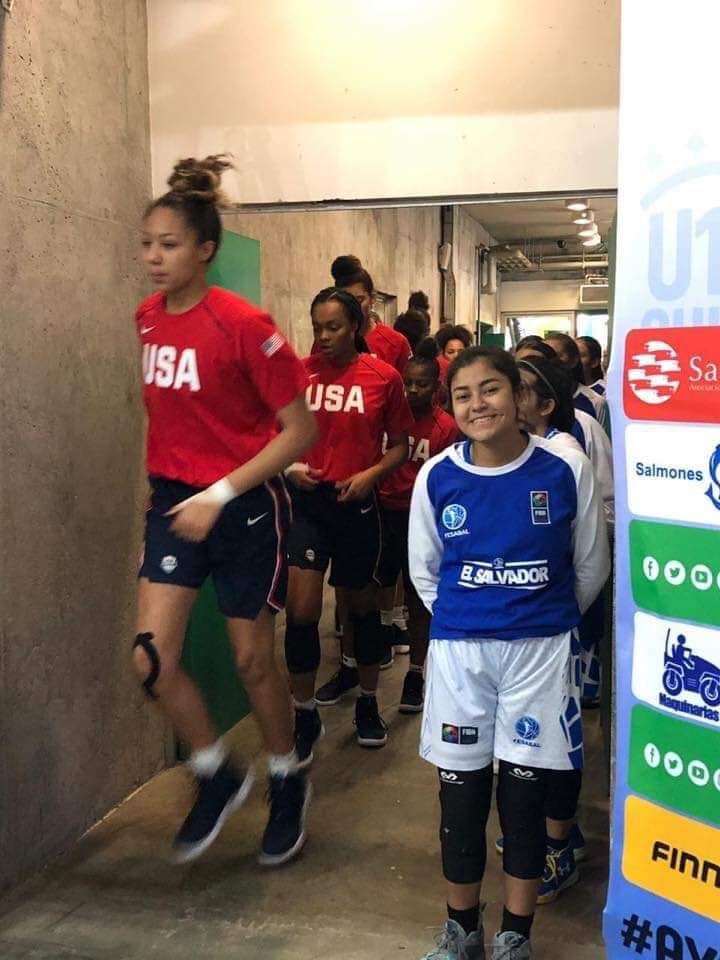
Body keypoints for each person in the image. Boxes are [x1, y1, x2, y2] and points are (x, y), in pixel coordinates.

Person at [134, 156, 318, 867]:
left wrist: (219, 493)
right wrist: (176, 497)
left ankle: (286, 775)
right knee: (150, 660)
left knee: (251, 662)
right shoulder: (147, 320)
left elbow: (300, 431)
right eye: (147, 243)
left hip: (243, 509)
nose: (154, 257)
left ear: (205, 249)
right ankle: (216, 772)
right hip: (171, 503)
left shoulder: (245, 325)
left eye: (170, 243)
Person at [409, 346, 609, 959]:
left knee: (524, 802)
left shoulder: (564, 468)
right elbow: (425, 571)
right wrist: (473, 617)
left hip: (540, 657)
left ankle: (514, 937)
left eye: (491, 389)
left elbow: (589, 565)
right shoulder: (436, 476)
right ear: (451, 405)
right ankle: (461, 930)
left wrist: (538, 619)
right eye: (463, 394)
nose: (478, 404)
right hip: (461, 658)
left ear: (519, 397)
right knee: (461, 800)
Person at [284, 287, 412, 757]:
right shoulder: (299, 373)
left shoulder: (384, 377)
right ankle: (303, 713)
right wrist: (289, 467)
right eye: (317, 327)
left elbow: (400, 445)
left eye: (333, 327)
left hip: (357, 504)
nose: (324, 337)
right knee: (301, 613)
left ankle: (367, 702)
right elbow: (273, 434)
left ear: (355, 326)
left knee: (362, 611)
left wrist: (371, 475)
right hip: (309, 504)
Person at [377, 339, 457, 712]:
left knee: (417, 597)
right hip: (382, 512)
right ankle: (378, 644)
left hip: (420, 519)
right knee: (376, 586)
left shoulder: (446, 427)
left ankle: (416, 672)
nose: (412, 390)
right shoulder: (389, 417)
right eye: (407, 382)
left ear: (436, 386)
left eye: (421, 384)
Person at [331, 255, 412, 373]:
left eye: (359, 300)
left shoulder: (396, 343)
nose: (352, 307)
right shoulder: (327, 339)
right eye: (345, 301)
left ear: (372, 298)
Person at [544, 332, 607, 428]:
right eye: (543, 357)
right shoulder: (534, 400)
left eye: (555, 355)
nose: (548, 362)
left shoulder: (595, 402)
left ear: (574, 360)